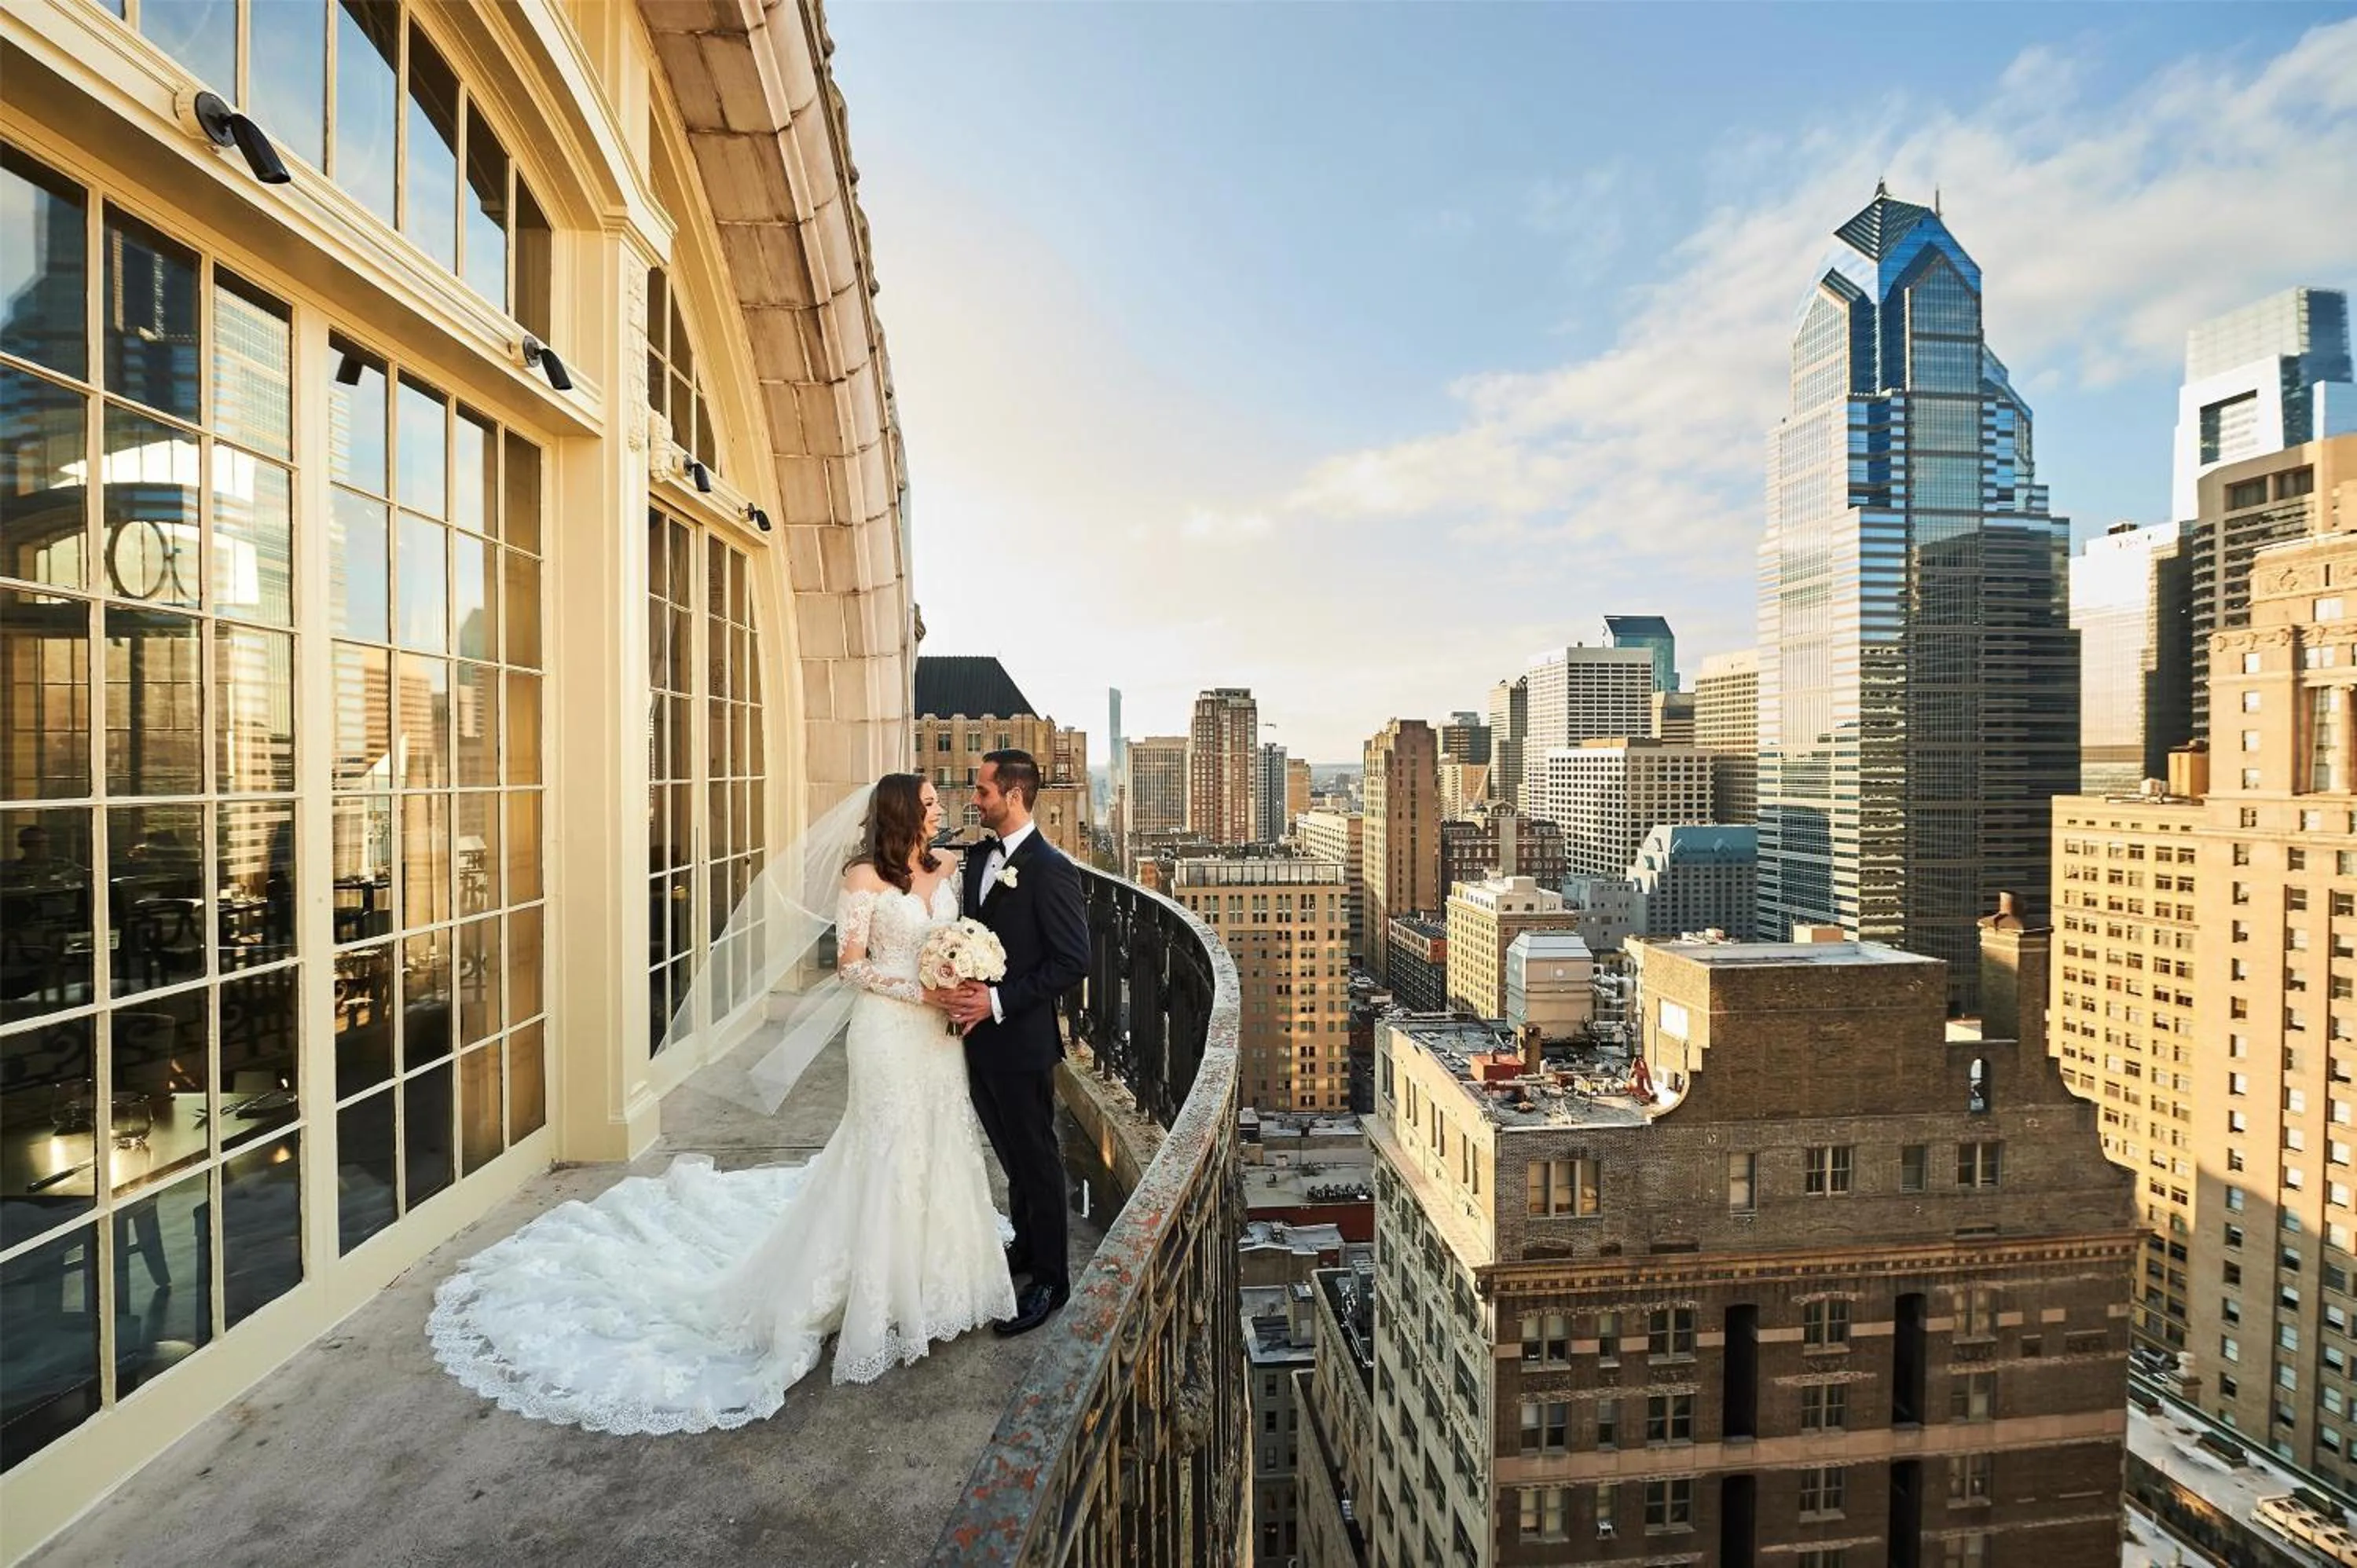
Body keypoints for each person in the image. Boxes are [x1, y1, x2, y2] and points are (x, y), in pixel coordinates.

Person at [426, 774, 1017, 1433]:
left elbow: (957, 936)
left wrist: (960, 978)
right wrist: (921, 991)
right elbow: (850, 966)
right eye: (931, 803)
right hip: (887, 1033)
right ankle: (875, 1291)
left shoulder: (946, 866)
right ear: (903, 811)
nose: (942, 810)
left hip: (938, 1042)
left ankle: (938, 1282)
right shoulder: (861, 879)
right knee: (883, 1151)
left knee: (939, 1139)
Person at [941, 749, 1091, 1335]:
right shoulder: (978, 857)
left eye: (982, 792)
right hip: (976, 1042)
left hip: (1021, 1040)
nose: (974, 799)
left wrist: (998, 1002)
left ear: (1014, 796)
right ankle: (1026, 1249)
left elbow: (1072, 961)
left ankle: (1053, 1280)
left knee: (1038, 1159)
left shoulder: (1051, 868)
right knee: (1011, 1158)